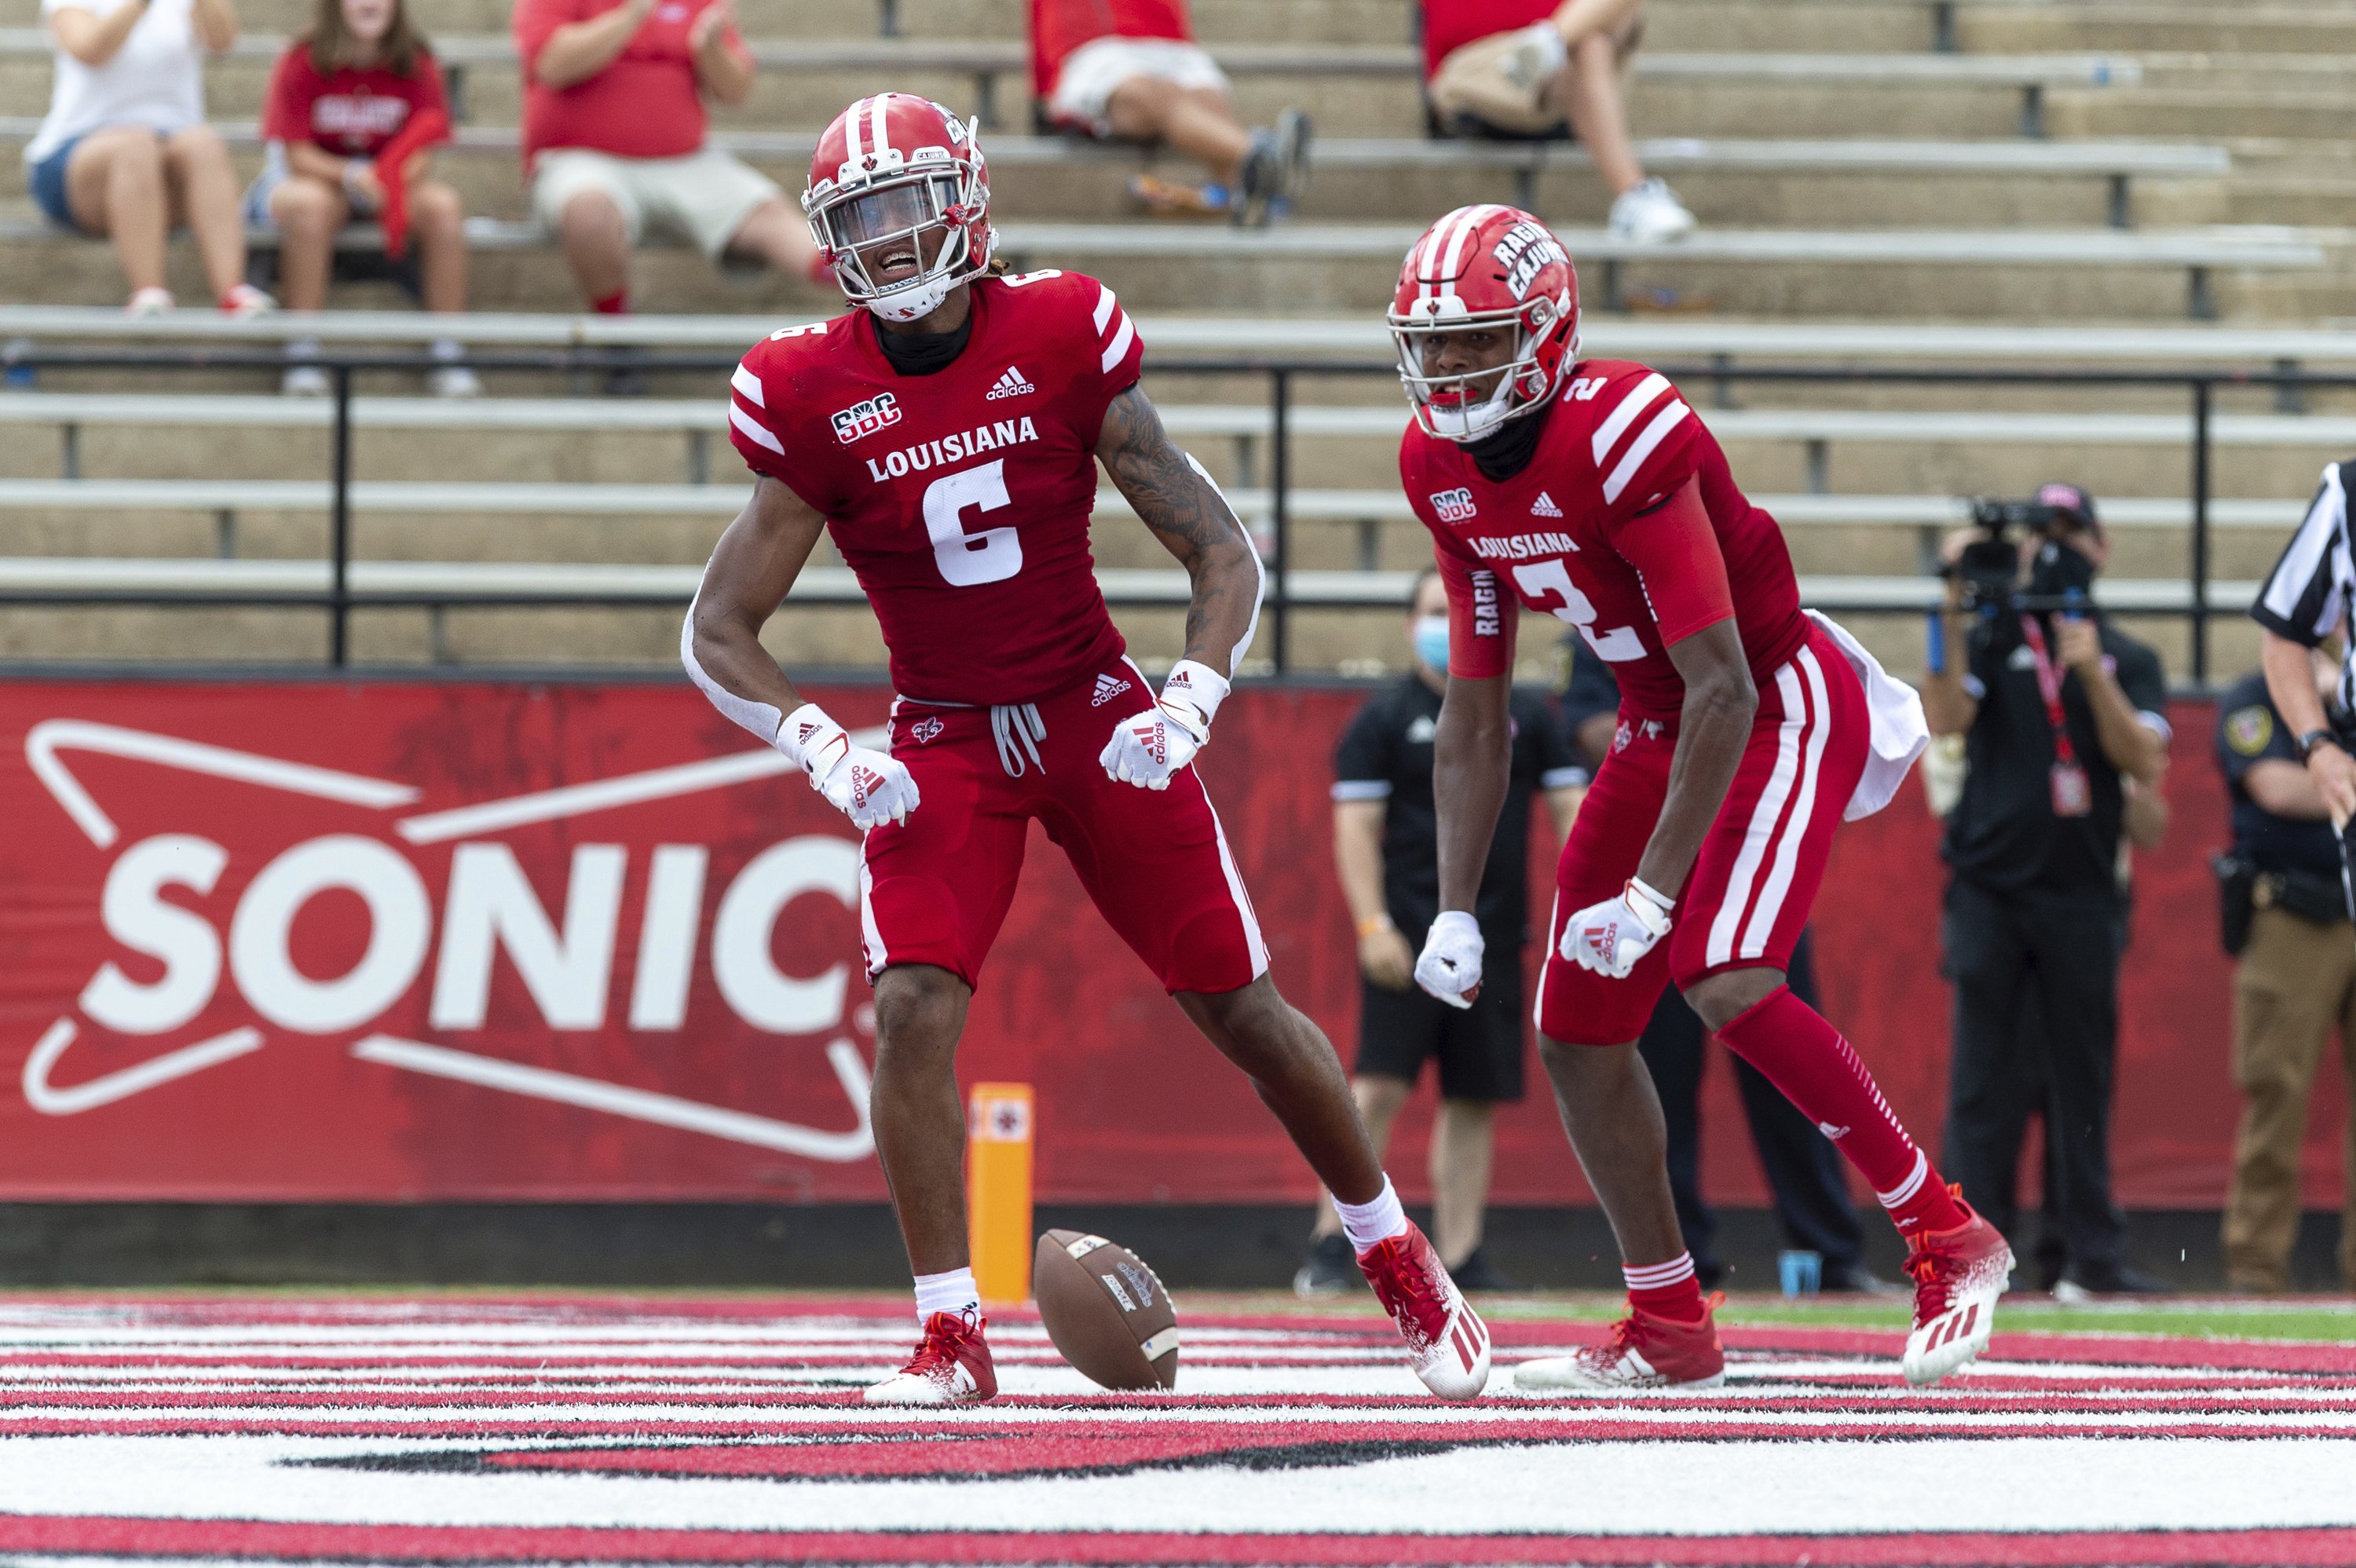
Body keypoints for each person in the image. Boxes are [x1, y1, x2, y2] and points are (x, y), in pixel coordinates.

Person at [688, 93, 1487, 1408]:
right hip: (944, 731)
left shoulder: (1060, 330)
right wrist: (824, 746)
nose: (887, 244)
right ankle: (951, 1332)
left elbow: (1219, 545)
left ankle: (1398, 1254)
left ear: (969, 202)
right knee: (909, 1010)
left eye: (905, 208)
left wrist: (1188, 701)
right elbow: (719, 627)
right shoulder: (806, 388)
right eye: (858, 221)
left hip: (1092, 707)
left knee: (1245, 1006)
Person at [1391, 202, 2004, 1393]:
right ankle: (1670, 1319)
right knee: (1573, 1026)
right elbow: (1477, 708)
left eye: (1478, 340)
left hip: (1776, 695)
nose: (1453, 369)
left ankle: (1949, 1235)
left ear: (1546, 331)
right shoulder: (1437, 471)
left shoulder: (1624, 429)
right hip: (1664, 719)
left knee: (1720, 969)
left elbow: (1724, 680)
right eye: (1438, 343)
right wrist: (1457, 906)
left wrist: (1655, 891)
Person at [1559, 638, 1893, 1295]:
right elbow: (1593, 726)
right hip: (1655, 876)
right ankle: (1684, 1261)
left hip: (1744, 857)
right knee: (1662, 1078)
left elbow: (1773, 709)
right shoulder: (1610, 613)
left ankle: (1831, 1250)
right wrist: (1697, 729)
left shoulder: (1739, 608)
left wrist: (1709, 725)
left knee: (1786, 1065)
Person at [1295, 568, 1585, 1297]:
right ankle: (1335, 1243)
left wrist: (1587, 912)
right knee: (1376, 1091)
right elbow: (1354, 833)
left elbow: (1574, 814)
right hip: (1406, 939)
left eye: (1450, 611)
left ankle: (1462, 1250)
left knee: (1474, 1097)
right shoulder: (1383, 720)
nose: (1442, 624)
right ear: (1407, 623)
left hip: (1497, 940)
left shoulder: (1528, 714)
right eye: (1430, 611)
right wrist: (1372, 926)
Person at [1920, 482, 2171, 1299]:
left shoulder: (2130, 657)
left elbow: (2143, 758)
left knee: (2081, 1078)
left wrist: (2090, 673)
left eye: (2070, 533)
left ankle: (2088, 1256)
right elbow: (1948, 714)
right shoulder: (1992, 638)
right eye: (2044, 535)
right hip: (1990, 888)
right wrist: (1952, 609)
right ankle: (1972, 1258)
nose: (2056, 550)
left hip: (2082, 894)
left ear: (2100, 548)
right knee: (1983, 1080)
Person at [514, 0, 824, 320]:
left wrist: (711, 49)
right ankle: (617, 335)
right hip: (579, 159)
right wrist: (632, 14)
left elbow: (736, 92)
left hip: (685, 161)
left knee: (775, 218)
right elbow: (552, 65)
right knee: (589, 213)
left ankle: (864, 297)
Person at [2244, 459, 2356, 1291]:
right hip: (2300, 899)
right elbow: (2282, 625)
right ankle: (2254, 1271)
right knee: (2277, 1088)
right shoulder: (2348, 494)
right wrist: (2319, 743)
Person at [251, 0, 477, 398]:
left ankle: (449, 349)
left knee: (443, 208)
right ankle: (302, 348)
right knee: (310, 207)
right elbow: (295, 154)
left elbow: (424, 153)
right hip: (318, 179)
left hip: (390, 182)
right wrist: (353, 176)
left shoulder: (417, 61)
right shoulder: (303, 59)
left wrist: (389, 179)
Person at [25, 0, 273, 316]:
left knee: (204, 145)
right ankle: (149, 294)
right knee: (136, 146)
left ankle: (233, 292)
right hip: (77, 156)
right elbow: (91, 51)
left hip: (171, 151)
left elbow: (223, 41)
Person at [1420, 0, 1694, 243]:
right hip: (1474, 69)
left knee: (1590, 46)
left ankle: (1550, 41)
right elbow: (1453, 27)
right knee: (1589, 46)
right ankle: (1634, 193)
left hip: (1558, 64)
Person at [1030, 0, 1309, 225]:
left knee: (1209, 101)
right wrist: (1042, 92)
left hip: (1169, 39)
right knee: (1156, 97)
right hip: (1095, 41)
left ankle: (1246, 185)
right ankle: (1261, 159)